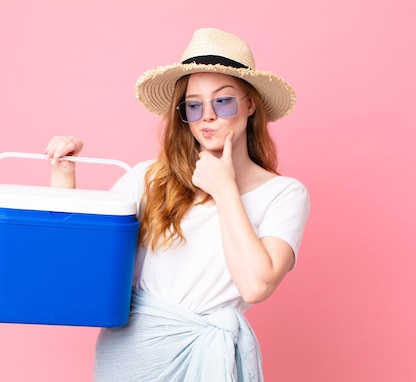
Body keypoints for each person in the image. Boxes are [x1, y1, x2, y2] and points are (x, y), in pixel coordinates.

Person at [44, 27, 310, 382]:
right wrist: (64, 174)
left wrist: (225, 189)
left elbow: (256, 285)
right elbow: (81, 257)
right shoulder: (147, 179)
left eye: (223, 100)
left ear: (250, 105)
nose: (208, 116)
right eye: (194, 105)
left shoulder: (285, 194)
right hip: (133, 355)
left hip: (209, 356)